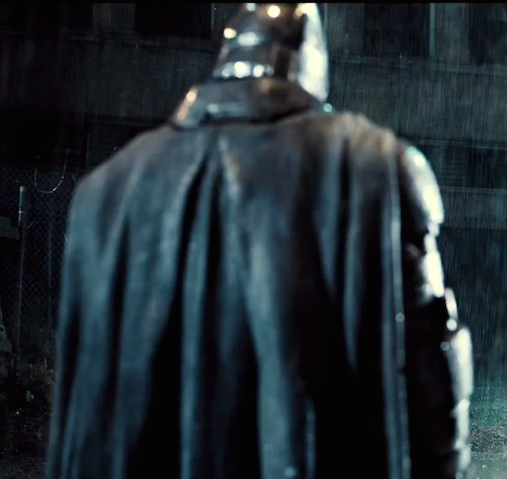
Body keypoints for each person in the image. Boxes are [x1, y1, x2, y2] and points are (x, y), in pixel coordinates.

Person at [46, 4, 471, 479]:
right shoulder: (378, 166)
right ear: (311, 59)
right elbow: (436, 378)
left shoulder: (105, 190)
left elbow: (79, 409)